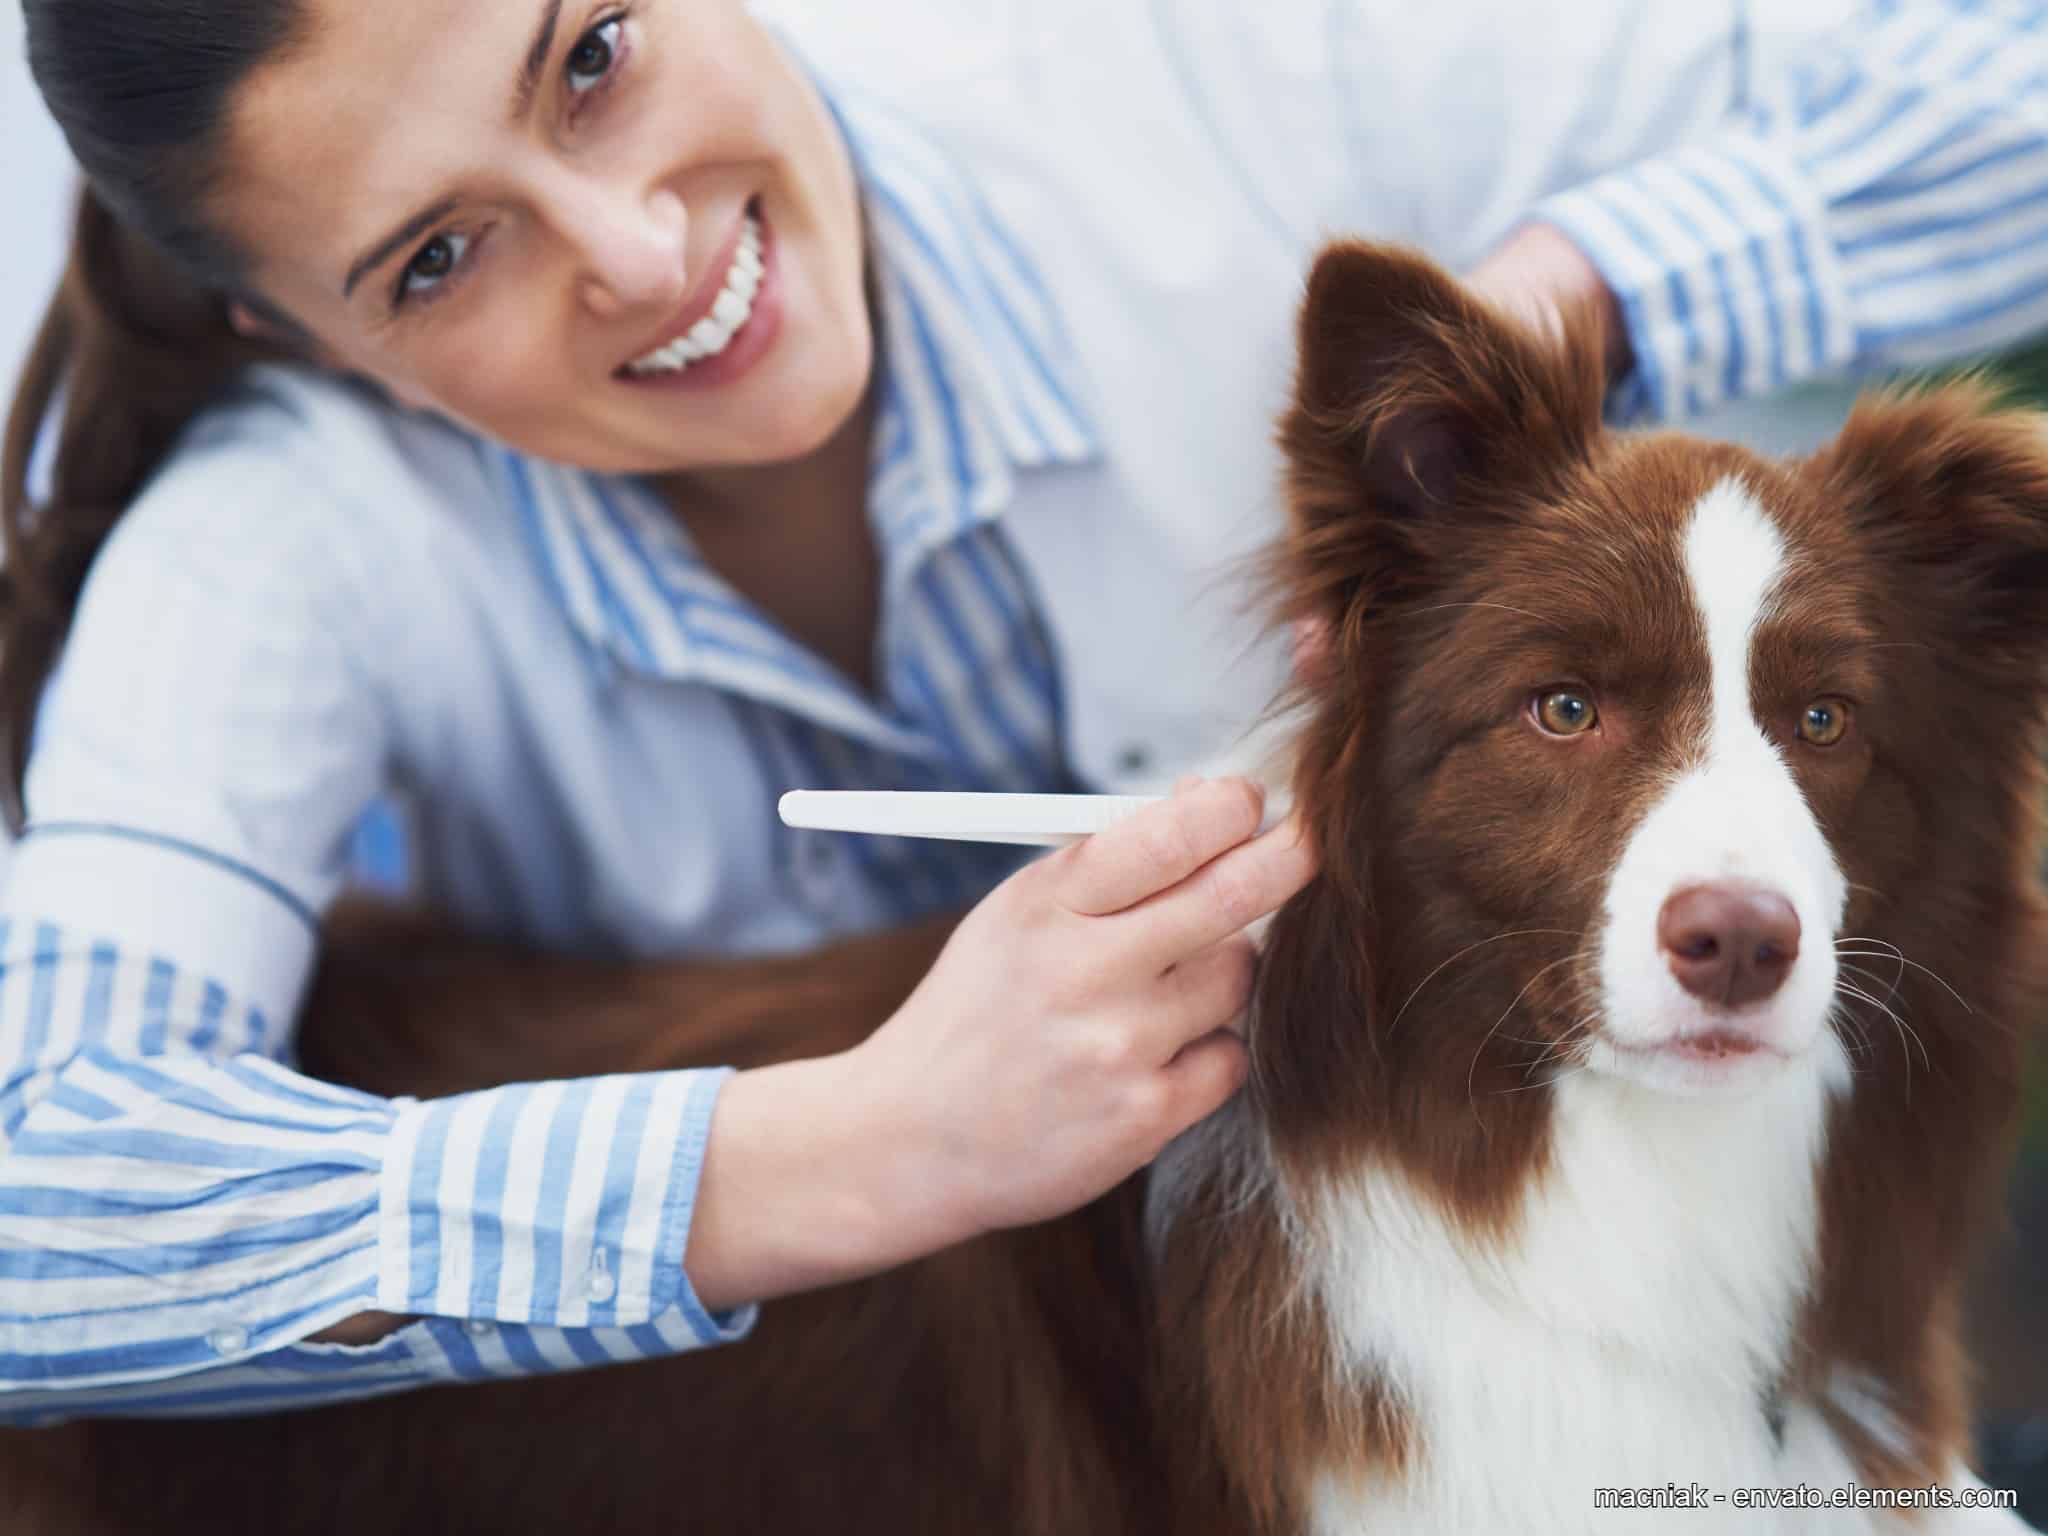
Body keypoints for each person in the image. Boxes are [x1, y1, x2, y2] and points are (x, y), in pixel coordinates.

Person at [2, 0, 2046, 1426]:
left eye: (594, 58)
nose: (635, 251)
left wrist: (1573, 297)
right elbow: (37, 1203)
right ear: (298, 335)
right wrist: (844, 1145)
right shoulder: (281, 547)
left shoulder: (1223, 65)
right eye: (442, 256)